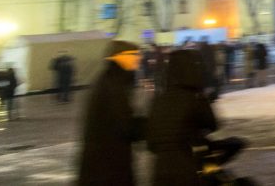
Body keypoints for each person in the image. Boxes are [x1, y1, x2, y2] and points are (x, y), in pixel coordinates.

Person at [146, 49, 220, 185]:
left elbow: (151, 143)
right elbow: (213, 124)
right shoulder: (195, 97)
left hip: (160, 171)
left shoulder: (158, 100)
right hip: (187, 167)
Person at [78, 40, 146, 186]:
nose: (139, 58)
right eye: (134, 55)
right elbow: (126, 125)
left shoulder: (109, 79)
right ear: (120, 57)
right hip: (108, 168)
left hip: (101, 165)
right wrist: (152, 124)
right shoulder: (113, 85)